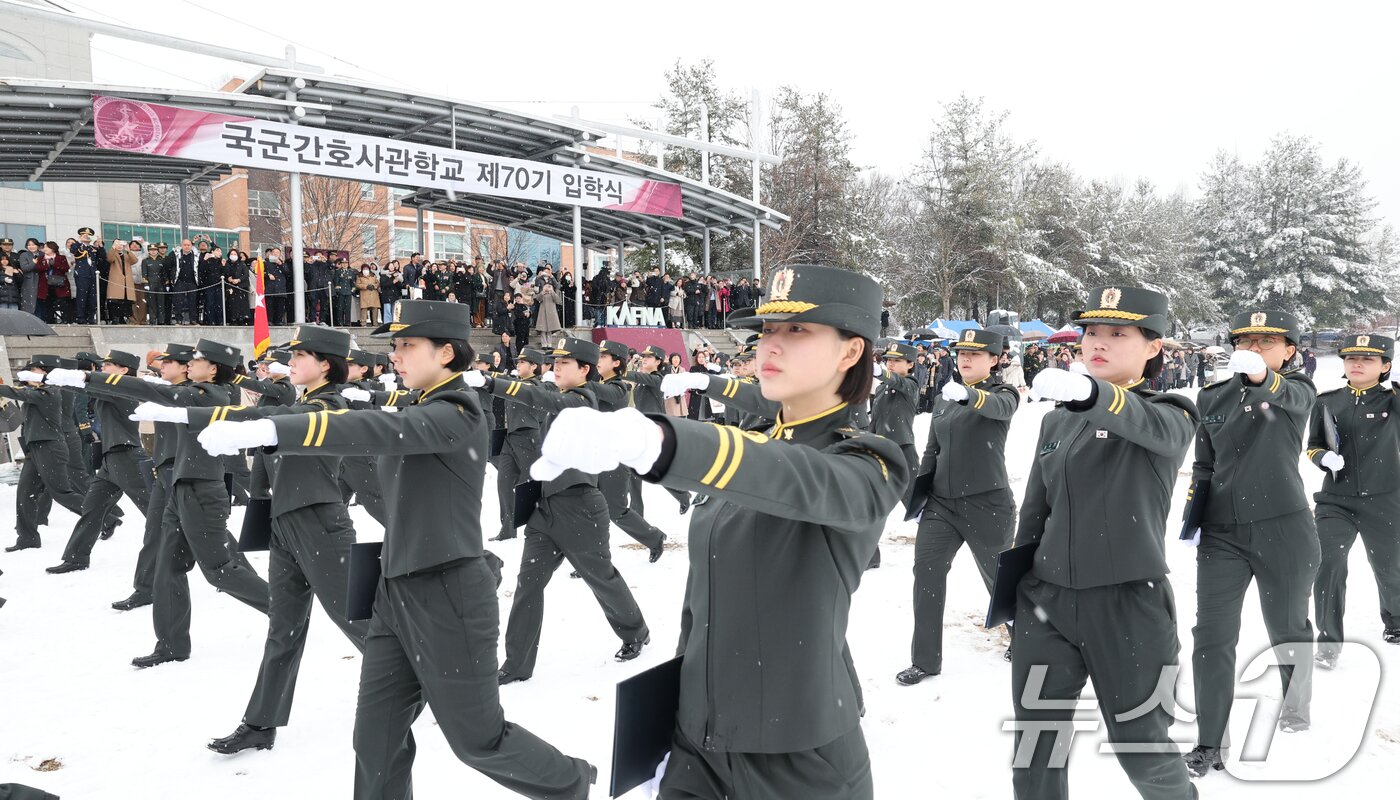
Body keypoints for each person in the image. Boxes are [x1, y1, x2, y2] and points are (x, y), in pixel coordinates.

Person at [195, 300, 597, 799]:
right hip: (394, 591)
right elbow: (366, 436)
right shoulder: (414, 405)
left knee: (477, 740)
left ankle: (573, 781)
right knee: (375, 738)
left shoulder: (457, 411)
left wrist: (275, 430)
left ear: (446, 352)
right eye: (394, 346)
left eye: (407, 345)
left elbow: (375, 430)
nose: (396, 356)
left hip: (449, 592)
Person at [533, 264, 906, 799]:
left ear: (851, 352)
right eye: (767, 331)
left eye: (797, 331)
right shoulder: (760, 435)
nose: (769, 346)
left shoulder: (867, 460)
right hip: (698, 738)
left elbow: (791, 475)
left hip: (798, 752)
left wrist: (661, 443)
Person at [127, 327, 369, 755]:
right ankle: (261, 723)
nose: (289, 361)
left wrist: (191, 416)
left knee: (360, 623)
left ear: (326, 364)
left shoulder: (329, 405)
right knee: (283, 629)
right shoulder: (300, 403)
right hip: (287, 527)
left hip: (321, 529)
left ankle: (433, 684)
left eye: (299, 355)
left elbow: (271, 422)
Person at [1010, 286, 1198, 800]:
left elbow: (1157, 431)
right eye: (1092, 331)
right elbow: (1035, 509)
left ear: (1153, 347)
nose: (1098, 343)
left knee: (1143, 745)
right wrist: (1015, 591)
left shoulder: (1171, 411)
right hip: (1046, 600)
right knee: (1036, 745)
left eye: (1118, 333)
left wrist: (1094, 397)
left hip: (1127, 602)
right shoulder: (1056, 418)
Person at [45, 340, 271, 666]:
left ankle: (282, 608)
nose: (190, 363)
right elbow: (154, 390)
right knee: (167, 569)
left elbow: (153, 390)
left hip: (201, 492)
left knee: (219, 572)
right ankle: (171, 645)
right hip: (179, 488)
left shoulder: (210, 394)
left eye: (197, 359)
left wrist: (84, 379)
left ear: (214, 368)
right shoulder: (192, 391)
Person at [467, 338, 651, 683]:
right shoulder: (560, 399)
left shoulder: (582, 400)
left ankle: (636, 632)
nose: (557, 367)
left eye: (565, 363)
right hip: (546, 507)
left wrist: (493, 382)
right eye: (555, 361)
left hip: (580, 506)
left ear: (584, 369)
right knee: (528, 586)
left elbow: (545, 397)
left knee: (601, 578)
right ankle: (517, 663)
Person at [1183, 311, 1319, 777]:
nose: (1256, 346)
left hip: (1285, 529)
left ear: (1290, 350)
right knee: (1212, 636)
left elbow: (1290, 397)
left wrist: (1263, 377)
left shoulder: (1295, 390)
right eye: (1247, 339)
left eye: (1268, 340)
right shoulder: (1212, 396)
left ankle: (1296, 709)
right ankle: (1209, 741)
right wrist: (1193, 520)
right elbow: (1204, 465)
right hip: (1223, 533)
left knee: (1288, 628)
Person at [897, 329, 1020, 685]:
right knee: (927, 574)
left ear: (994, 360)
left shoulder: (1002, 392)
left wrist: (969, 395)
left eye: (976, 354)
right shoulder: (945, 399)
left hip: (987, 504)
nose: (965, 358)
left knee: (999, 581)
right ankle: (924, 660)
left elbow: (1000, 409)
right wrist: (920, 498)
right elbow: (932, 450)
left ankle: (1024, 638)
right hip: (942, 505)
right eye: (962, 352)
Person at [1308, 333, 1400, 670]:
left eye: (1367, 359)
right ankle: (1328, 642)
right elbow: (1314, 444)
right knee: (1327, 564)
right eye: (1350, 358)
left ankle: (1396, 620)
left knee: (1390, 569)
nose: (1356, 364)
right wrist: (1322, 460)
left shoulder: (1392, 401)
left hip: (1386, 499)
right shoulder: (1328, 400)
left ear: (1385, 365)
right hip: (1336, 500)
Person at [45, 351, 153, 574]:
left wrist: (58, 378)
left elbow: (86, 387)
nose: (103, 367)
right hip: (110, 459)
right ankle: (76, 558)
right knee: (91, 510)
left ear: (124, 370)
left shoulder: (122, 388)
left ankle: (214, 559)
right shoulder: (112, 388)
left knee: (159, 513)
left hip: (128, 459)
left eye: (110, 364)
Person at [0, 356, 87, 552]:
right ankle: (27, 538)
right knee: (25, 493)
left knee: (62, 493)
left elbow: (19, 393)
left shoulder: (50, 392)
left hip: (50, 448)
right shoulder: (33, 392)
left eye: (37, 371)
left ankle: (105, 517)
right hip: (36, 450)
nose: (32, 374)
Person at [485, 348, 545, 542]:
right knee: (504, 483)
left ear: (534, 366)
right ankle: (508, 527)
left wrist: (488, 377)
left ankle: (538, 526)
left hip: (529, 437)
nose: (517, 364)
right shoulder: (517, 384)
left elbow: (515, 387)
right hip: (510, 438)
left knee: (531, 484)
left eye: (522, 362)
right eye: (517, 362)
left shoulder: (536, 386)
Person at [68, 227, 104, 324]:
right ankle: (81, 317)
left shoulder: (92, 248)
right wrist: (79, 241)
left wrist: (100, 245)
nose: (87, 237)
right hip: (81, 275)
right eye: (84, 235)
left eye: (89, 236)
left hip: (92, 275)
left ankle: (91, 317)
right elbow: (73, 251)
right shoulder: (78, 246)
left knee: (92, 298)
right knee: (82, 296)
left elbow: (103, 256)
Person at [36, 242, 73, 324]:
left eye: (47, 247)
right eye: (44, 247)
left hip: (59, 284)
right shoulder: (41, 258)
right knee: (48, 303)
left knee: (63, 302)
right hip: (45, 284)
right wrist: (47, 265)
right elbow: (38, 268)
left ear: (53, 249)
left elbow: (65, 268)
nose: (45, 249)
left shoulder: (61, 257)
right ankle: (50, 320)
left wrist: (55, 264)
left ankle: (65, 320)